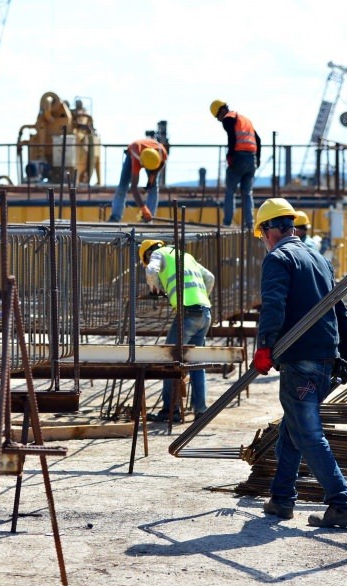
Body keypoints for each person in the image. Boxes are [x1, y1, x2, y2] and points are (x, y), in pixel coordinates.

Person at [250, 198, 347, 528]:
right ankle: (281, 499)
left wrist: (264, 346)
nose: (264, 241)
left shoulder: (278, 258)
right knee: (293, 428)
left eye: (262, 234)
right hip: (326, 356)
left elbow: (273, 305)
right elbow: (340, 309)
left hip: (301, 360)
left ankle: (343, 505)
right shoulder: (319, 258)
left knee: (308, 433)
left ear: (270, 230)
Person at [139, 239, 214, 423]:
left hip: (188, 312)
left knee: (171, 360)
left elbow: (151, 271)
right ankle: (201, 411)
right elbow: (210, 278)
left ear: (148, 254)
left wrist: (154, 286)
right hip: (205, 312)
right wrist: (202, 297)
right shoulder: (185, 255)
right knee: (196, 363)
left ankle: (170, 410)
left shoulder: (158, 254)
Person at [210, 99, 261, 229]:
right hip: (252, 158)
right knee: (247, 193)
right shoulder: (245, 120)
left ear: (220, 111)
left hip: (239, 157)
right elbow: (258, 139)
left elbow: (232, 138)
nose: (219, 120)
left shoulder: (228, 119)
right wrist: (258, 159)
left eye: (217, 117)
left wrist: (230, 155)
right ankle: (249, 224)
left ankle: (227, 223)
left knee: (230, 191)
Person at [109, 139, 168, 223]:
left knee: (153, 187)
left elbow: (159, 168)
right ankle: (115, 217)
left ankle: (148, 218)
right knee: (123, 186)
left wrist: (149, 183)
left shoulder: (162, 154)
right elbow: (134, 187)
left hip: (152, 157)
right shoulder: (137, 160)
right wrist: (143, 208)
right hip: (132, 154)